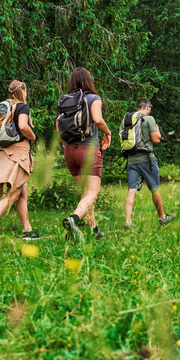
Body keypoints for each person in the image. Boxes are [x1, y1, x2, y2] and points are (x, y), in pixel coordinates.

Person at [0, 80, 39, 241]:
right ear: (22, 92)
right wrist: (32, 137)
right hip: (19, 154)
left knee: (22, 191)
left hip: (5, 153)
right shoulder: (22, 107)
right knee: (13, 193)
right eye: (26, 91)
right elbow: (24, 126)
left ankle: (28, 230)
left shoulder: (5, 107)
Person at [58, 68, 111, 241]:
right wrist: (107, 132)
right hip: (88, 149)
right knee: (92, 194)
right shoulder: (93, 98)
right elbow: (97, 119)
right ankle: (73, 220)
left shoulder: (66, 101)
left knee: (86, 195)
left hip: (69, 151)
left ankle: (94, 231)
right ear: (89, 81)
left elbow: (59, 129)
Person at [122, 98, 175, 229]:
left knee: (131, 190)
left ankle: (128, 221)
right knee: (155, 189)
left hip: (131, 160)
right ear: (147, 107)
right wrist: (156, 129)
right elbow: (156, 140)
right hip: (147, 160)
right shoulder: (149, 118)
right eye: (150, 108)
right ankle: (162, 218)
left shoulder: (127, 120)